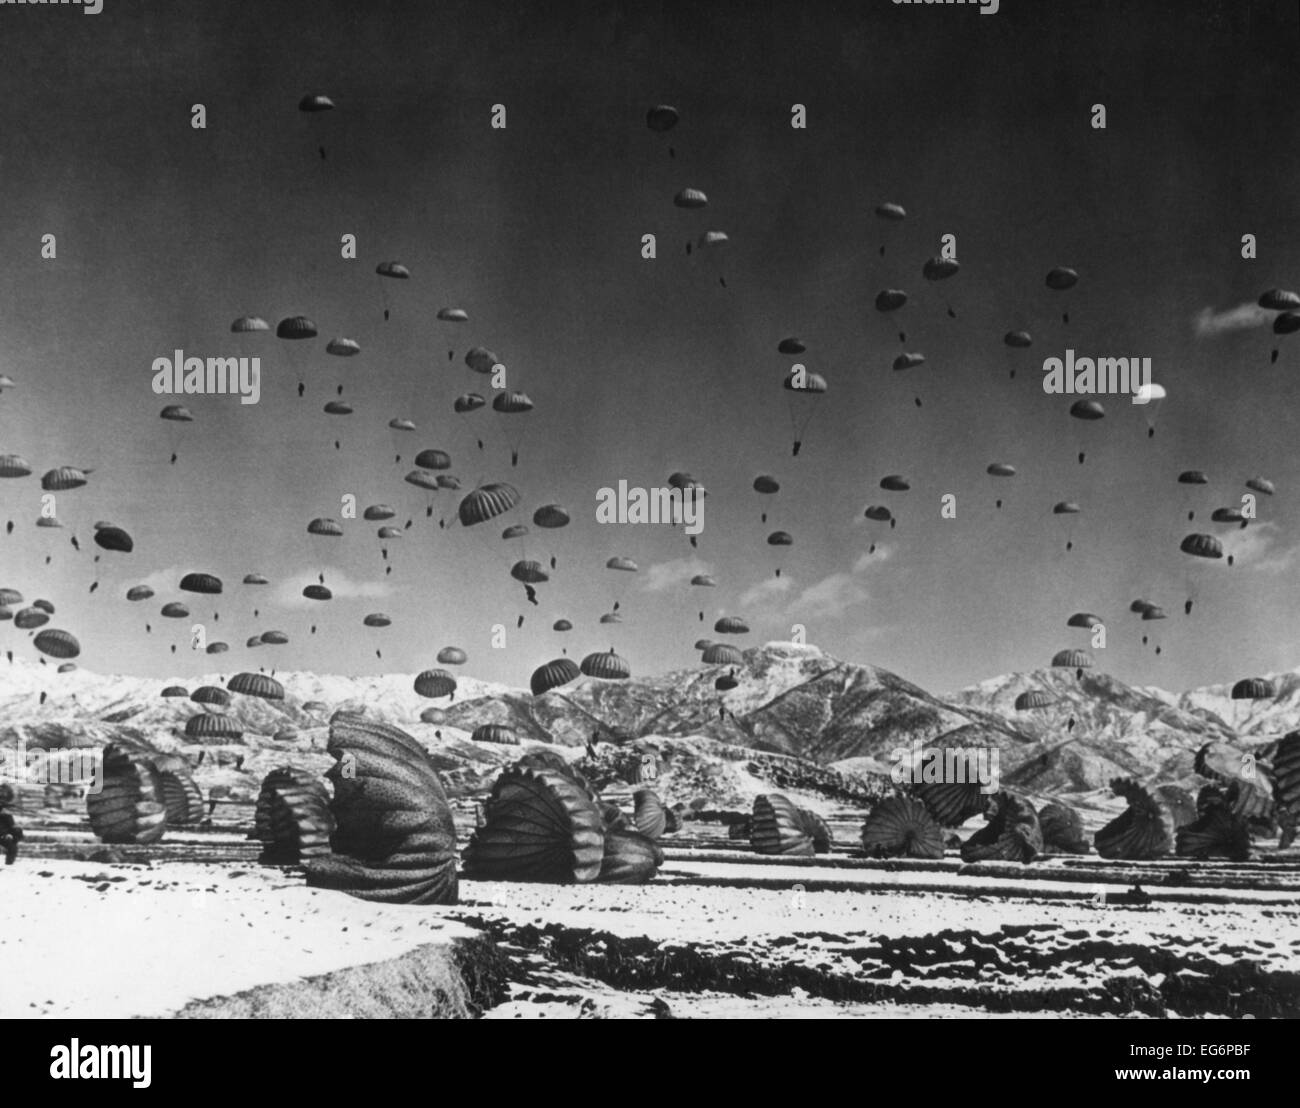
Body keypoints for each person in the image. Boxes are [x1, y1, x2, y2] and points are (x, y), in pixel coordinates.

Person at [0, 784, 23, 865]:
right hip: (2, 833)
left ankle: (9, 864)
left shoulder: (6, 814)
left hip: (5, 833)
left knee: (13, 845)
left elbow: (11, 825)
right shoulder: (5, 813)